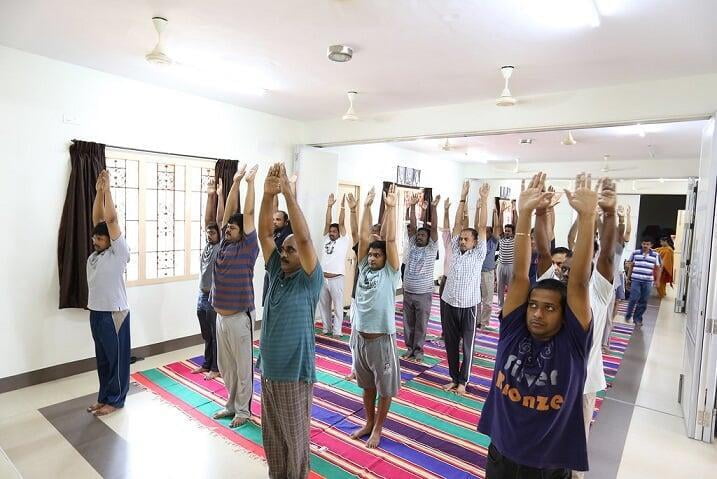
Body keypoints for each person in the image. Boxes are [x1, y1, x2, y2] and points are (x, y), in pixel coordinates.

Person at [478, 172, 597, 478]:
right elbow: (519, 275)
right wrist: (525, 213)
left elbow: (580, 284)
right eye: (532, 305)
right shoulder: (513, 331)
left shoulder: (571, 344)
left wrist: (587, 218)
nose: (537, 314)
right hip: (501, 453)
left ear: (564, 315)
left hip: (547, 464)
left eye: (548, 308)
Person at [535, 177, 618, 479]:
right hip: (548, 384)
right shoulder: (552, 290)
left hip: (582, 387)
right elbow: (543, 253)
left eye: (573, 269)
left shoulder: (597, 290)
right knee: (543, 445)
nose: (567, 273)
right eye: (564, 269)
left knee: (573, 451)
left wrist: (606, 215)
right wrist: (540, 214)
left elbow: (607, 256)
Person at [257, 163, 323, 479]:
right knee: (273, 440)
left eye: (290, 250)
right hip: (268, 371)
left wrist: (287, 193)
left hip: (294, 374)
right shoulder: (276, 273)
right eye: (283, 249)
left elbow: (306, 239)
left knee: (295, 444)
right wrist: (268, 196)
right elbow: (264, 233)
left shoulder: (309, 279)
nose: (284, 254)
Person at [350, 185, 401, 449]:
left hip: (382, 340)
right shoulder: (363, 266)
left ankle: (379, 428)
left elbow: (390, 241)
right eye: (370, 253)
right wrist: (366, 206)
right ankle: (368, 422)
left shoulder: (390, 273)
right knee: (367, 386)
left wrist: (390, 208)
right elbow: (361, 235)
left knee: (385, 388)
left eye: (377, 254)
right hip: (361, 338)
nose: (371, 257)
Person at [210, 164, 260, 428]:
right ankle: (230, 405)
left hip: (240, 318)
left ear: (243, 232)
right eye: (227, 226)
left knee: (242, 368)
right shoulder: (223, 245)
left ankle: (244, 410)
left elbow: (248, 213)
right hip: (220, 317)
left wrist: (250, 184)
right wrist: (235, 182)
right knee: (226, 365)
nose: (228, 228)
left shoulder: (248, 247)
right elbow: (227, 212)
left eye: (233, 227)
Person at [86, 170, 131, 417]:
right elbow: (98, 221)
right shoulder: (96, 255)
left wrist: (108, 190)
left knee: (116, 361)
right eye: (95, 237)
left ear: (111, 241)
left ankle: (116, 400)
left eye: (100, 238)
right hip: (96, 313)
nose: (95, 239)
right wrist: (97, 192)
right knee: (102, 360)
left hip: (115, 314)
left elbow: (111, 220)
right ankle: (104, 397)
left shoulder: (118, 252)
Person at [440, 180, 489, 396]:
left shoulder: (478, 254)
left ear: (475, 242)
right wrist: (462, 197)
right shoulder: (454, 248)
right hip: (449, 302)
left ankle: (463, 382)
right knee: (450, 343)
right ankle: (453, 378)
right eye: (461, 238)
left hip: (469, 305)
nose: (462, 240)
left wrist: (484, 202)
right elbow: (458, 225)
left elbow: (480, 227)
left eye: (466, 239)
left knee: (467, 346)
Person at [402, 193, 440, 362]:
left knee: (420, 324)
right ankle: (409, 349)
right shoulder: (411, 244)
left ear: (428, 238)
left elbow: (434, 229)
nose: (419, 236)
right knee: (408, 324)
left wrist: (433, 208)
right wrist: (411, 206)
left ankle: (418, 351)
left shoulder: (431, 248)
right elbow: (412, 225)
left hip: (423, 293)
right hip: (408, 291)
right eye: (418, 234)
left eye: (422, 235)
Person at [192, 178, 223, 380]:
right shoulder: (208, 245)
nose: (210, 233)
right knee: (206, 332)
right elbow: (208, 222)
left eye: (213, 232)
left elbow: (218, 221)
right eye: (208, 232)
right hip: (202, 294)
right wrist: (209, 194)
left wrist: (219, 196)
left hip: (214, 295)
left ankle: (216, 367)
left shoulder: (221, 246)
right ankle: (206, 362)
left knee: (214, 332)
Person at [319, 193, 352, 336]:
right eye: (331, 231)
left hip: (336, 278)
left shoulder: (343, 240)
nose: (331, 233)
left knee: (337, 306)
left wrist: (343, 207)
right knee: (324, 305)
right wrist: (329, 206)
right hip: (322, 278)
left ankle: (337, 331)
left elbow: (342, 223)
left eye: (334, 231)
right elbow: (327, 222)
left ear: (339, 232)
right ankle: (326, 328)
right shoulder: (326, 238)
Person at [603, 204, 631, 353]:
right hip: (595, 285)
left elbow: (621, 235)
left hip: (609, 286)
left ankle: (605, 344)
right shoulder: (599, 247)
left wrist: (621, 219)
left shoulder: (616, 251)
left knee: (607, 317)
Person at [625, 236, 661, 327]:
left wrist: (657, 280)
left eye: (647, 244)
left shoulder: (656, 255)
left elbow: (658, 268)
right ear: (641, 244)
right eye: (644, 244)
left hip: (648, 281)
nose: (645, 245)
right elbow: (630, 266)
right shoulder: (635, 253)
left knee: (643, 300)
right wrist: (628, 278)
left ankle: (637, 318)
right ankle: (628, 314)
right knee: (633, 298)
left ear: (651, 245)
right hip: (636, 279)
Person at [477, 206, 499, 329]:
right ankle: (477, 320)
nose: (486, 233)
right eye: (484, 231)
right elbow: (478, 225)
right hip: (477, 273)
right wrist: (478, 210)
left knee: (488, 300)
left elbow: (497, 228)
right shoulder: (478, 243)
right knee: (476, 299)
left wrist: (495, 213)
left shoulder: (493, 242)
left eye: (488, 231)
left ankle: (484, 322)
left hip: (488, 273)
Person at [495, 202, 515, 308]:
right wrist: (501, 212)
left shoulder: (515, 239)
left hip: (511, 266)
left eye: (509, 231)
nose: (507, 232)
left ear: (512, 232)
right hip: (501, 265)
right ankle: (500, 306)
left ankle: (509, 305)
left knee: (511, 287)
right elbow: (498, 226)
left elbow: (516, 223)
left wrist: (514, 210)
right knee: (500, 287)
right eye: (506, 230)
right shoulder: (502, 238)